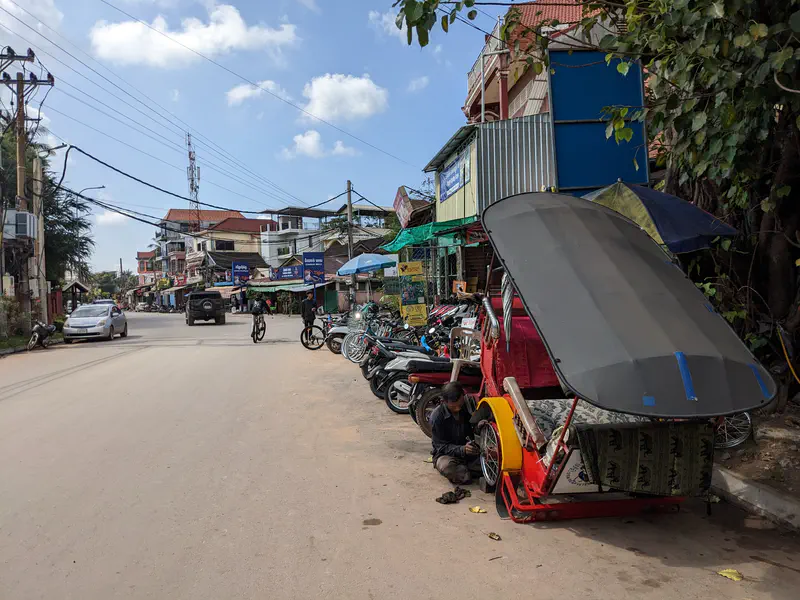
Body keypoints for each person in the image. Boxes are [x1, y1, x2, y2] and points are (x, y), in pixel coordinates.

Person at [430, 382, 481, 484]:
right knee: (447, 467)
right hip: (446, 455)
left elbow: (475, 428)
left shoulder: (468, 405)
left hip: (470, 453)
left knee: (493, 459)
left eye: (460, 405)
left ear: (463, 396)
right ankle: (472, 472)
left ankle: (469, 472)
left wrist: (479, 426)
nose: (458, 409)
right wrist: (462, 449)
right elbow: (441, 446)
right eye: (453, 407)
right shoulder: (437, 417)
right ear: (444, 401)